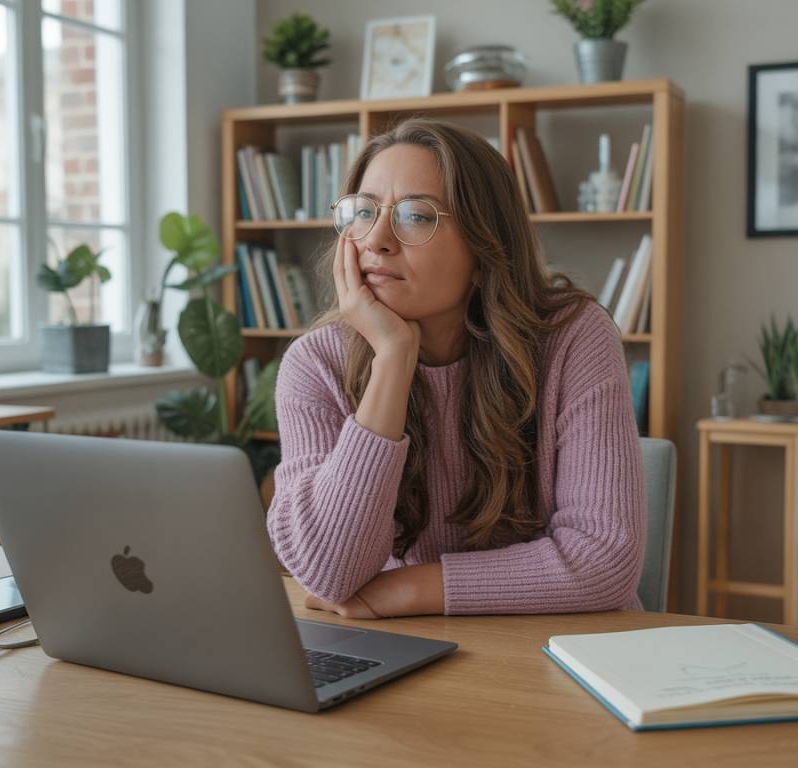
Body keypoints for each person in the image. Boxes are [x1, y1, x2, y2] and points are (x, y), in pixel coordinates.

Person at [265, 118, 646, 618]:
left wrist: (409, 590)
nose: (376, 239)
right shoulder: (315, 364)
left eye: (416, 217)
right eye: (363, 213)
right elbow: (328, 573)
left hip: (564, 646)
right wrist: (393, 360)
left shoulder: (573, 337)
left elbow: (604, 561)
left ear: (486, 249)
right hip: (413, 646)